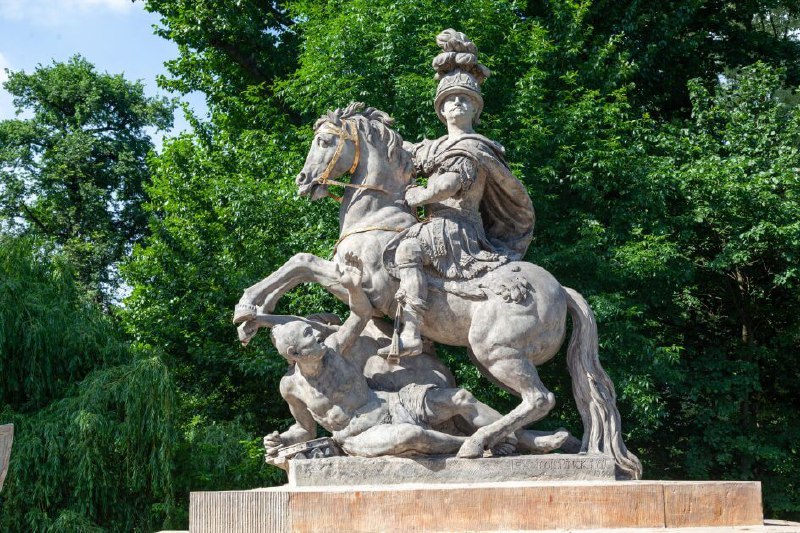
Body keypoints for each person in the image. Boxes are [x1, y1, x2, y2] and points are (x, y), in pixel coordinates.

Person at [258, 253, 567, 458]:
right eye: (309, 335)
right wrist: (283, 440)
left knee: (459, 398)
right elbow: (304, 429)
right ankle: (481, 444)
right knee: (410, 435)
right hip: (361, 433)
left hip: (388, 402)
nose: (318, 334)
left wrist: (353, 286)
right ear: (294, 353)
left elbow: (361, 313)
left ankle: (522, 439)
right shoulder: (292, 387)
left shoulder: (334, 349)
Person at [383, 29, 535, 356]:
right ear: (440, 109)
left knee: (407, 252)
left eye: (464, 99)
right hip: (434, 227)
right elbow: (406, 153)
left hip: (456, 231)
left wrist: (421, 196)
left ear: (475, 109)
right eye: (450, 99)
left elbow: (450, 184)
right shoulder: (435, 146)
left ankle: (411, 333)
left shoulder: (474, 147)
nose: (456, 103)